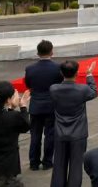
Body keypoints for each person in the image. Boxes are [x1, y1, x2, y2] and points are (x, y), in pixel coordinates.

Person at [50, 59, 98, 187]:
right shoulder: (82, 90)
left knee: (59, 165)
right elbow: (94, 91)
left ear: (61, 73)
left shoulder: (54, 89)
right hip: (78, 132)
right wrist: (89, 75)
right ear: (77, 73)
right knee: (76, 166)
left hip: (60, 132)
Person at [23, 39, 62, 171]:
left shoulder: (30, 69)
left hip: (35, 105)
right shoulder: (57, 68)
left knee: (35, 135)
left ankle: (33, 162)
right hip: (51, 105)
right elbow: (59, 84)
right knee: (50, 134)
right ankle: (47, 162)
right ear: (51, 52)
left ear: (38, 52)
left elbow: (28, 84)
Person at [0, 75, 31, 185]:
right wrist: (23, 107)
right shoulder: (13, 117)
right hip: (8, 166)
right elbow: (25, 126)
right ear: (8, 100)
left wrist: (11, 108)